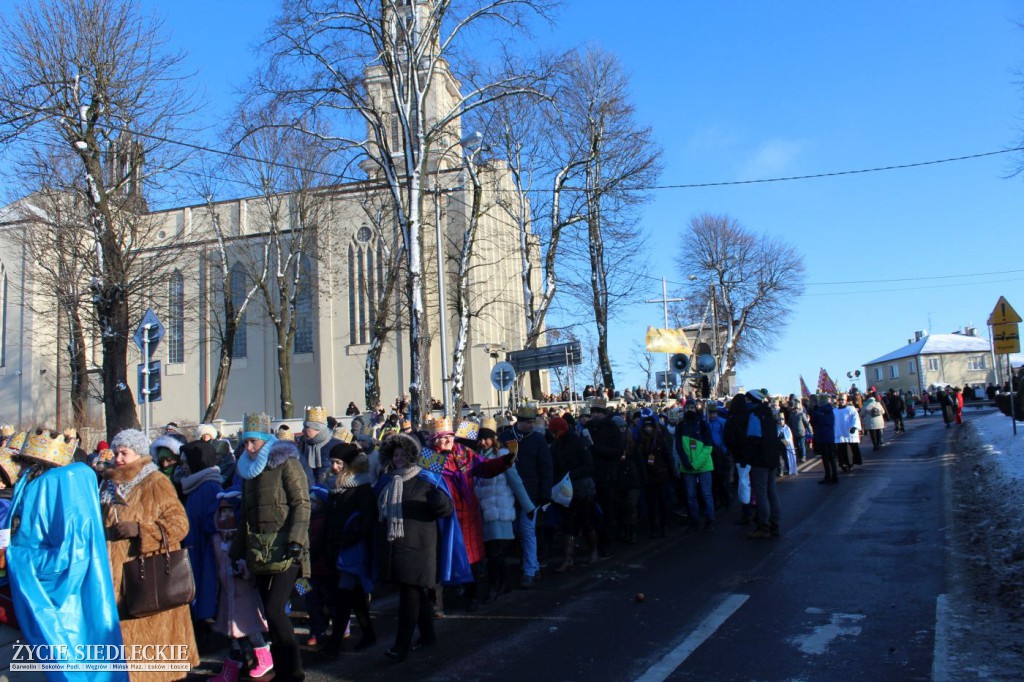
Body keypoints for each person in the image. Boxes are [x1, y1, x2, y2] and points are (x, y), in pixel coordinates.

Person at [3, 430, 127, 681]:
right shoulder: (40, 484)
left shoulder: (58, 485)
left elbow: (69, 560)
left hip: (61, 609)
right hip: (36, 600)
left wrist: (12, 557)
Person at [102, 428, 200, 680]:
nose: (118, 458)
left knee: (153, 661)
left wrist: (141, 530)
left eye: (124, 453)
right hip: (115, 579)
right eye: (116, 453)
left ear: (139, 454)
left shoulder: (155, 481)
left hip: (149, 577)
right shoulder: (109, 485)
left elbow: (180, 524)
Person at [229, 413, 311, 682]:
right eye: (246, 443)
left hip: (287, 550)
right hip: (260, 551)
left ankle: (294, 671)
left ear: (265, 441)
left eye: (253, 442)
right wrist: (236, 552)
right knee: (269, 613)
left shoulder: (287, 463)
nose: (249, 448)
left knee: (276, 610)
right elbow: (246, 516)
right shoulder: (248, 472)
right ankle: (282, 669)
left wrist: (297, 540)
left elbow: (301, 503)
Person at [375, 433, 454, 662]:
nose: (398, 458)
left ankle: (401, 646)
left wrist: (436, 499)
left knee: (409, 598)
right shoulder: (387, 480)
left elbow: (445, 510)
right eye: (395, 454)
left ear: (411, 456)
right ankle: (428, 636)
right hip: (396, 546)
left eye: (403, 454)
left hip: (419, 548)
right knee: (416, 594)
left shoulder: (426, 480)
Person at [209, 491, 272, 682]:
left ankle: (264, 657)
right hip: (227, 593)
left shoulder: (243, 538)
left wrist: (244, 569)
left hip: (244, 593)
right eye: (222, 512)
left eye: (229, 511)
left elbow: (252, 562)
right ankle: (232, 670)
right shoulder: (217, 539)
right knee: (235, 634)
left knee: (248, 627)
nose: (225, 516)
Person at [322, 442, 377, 655]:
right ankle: (368, 633)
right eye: (333, 462)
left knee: (344, 596)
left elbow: (367, 520)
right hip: (338, 548)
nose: (334, 467)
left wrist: (349, 538)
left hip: (354, 549)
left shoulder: (361, 488)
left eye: (338, 463)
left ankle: (335, 643)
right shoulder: (336, 487)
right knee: (354, 596)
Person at [474, 418, 534, 602]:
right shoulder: (476, 457)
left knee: (495, 552)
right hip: (483, 513)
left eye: (487, 438)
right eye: (481, 438)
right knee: (493, 552)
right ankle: (503, 583)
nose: (483, 442)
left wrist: (528, 506)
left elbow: (516, 482)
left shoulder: (502, 455)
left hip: (500, 511)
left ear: (494, 438)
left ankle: (496, 586)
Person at [498, 404, 552, 589]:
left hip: (531, 493)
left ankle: (529, 570)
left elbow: (546, 468)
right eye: (528, 422)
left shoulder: (538, 440)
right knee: (515, 531)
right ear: (519, 422)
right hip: (508, 493)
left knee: (528, 531)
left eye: (532, 422)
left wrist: (545, 493)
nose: (531, 425)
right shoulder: (505, 438)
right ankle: (532, 564)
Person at [180, 438, 223, 649]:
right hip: (195, 547)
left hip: (204, 550)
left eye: (186, 461)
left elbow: (210, 522)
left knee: (204, 592)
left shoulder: (208, 487)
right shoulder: (198, 485)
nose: (183, 466)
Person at [548, 416, 599, 570]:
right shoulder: (557, 445)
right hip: (565, 490)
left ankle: (593, 551)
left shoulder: (576, 442)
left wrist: (569, 475)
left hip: (581, 488)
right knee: (568, 523)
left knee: (585, 520)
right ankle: (569, 558)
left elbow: (589, 465)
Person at [745, 390, 783, 539]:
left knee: (761, 494)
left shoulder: (755, 416)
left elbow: (754, 439)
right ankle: (776, 523)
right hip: (772, 458)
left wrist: (747, 458)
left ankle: (763, 525)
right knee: (772, 491)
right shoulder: (769, 414)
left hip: (760, 459)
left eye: (748, 400)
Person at [675, 404, 716, 531]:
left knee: (706, 494)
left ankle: (710, 520)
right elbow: (679, 447)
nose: (689, 410)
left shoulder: (703, 424)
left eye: (691, 408)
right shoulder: (680, 426)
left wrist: (696, 464)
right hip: (687, 467)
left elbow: (708, 446)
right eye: (687, 408)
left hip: (703, 466)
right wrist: (686, 463)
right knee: (690, 495)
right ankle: (694, 520)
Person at [300, 406, 341, 486]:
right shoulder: (307, 446)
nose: (303, 430)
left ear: (317, 428)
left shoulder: (337, 445)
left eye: (306, 427)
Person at [811, 395, 839, 484]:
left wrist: (817, 415)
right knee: (830, 457)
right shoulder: (829, 410)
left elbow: (815, 421)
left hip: (823, 436)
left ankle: (829, 476)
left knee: (826, 458)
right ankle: (834, 476)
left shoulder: (821, 411)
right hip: (828, 436)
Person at [833, 393, 862, 472]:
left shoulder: (851, 409)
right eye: (839, 400)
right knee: (841, 450)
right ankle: (843, 464)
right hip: (839, 432)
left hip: (849, 432)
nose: (841, 401)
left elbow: (855, 418)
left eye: (843, 400)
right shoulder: (834, 410)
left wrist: (853, 427)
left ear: (846, 401)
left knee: (849, 450)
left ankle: (850, 464)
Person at [786, 399, 811, 464]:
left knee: (802, 444)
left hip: (801, 432)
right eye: (795, 408)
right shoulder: (792, 414)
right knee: (797, 445)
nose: (796, 409)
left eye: (797, 408)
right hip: (794, 432)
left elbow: (806, 423)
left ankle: (803, 456)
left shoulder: (801, 414)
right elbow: (790, 423)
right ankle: (800, 456)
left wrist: (810, 430)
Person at [777, 412, 797, 476]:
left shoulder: (787, 428)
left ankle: (789, 469)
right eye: (779, 419)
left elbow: (790, 438)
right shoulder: (776, 428)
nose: (780, 421)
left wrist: (785, 440)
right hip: (778, 445)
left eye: (782, 419)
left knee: (787, 457)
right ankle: (780, 471)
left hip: (785, 444)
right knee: (779, 458)